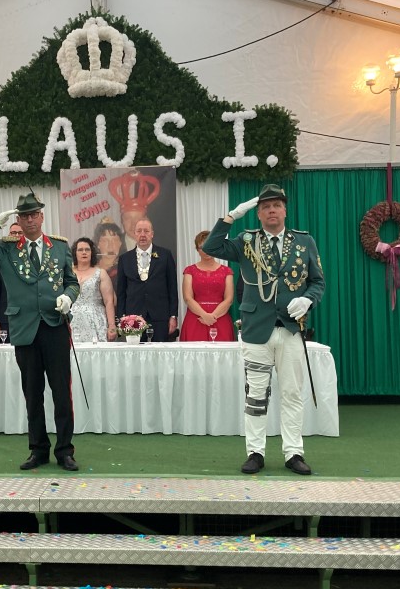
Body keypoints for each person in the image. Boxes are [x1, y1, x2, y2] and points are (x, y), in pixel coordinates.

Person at [202, 184, 325, 477]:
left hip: (291, 329)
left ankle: (293, 452)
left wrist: (308, 300)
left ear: (285, 210)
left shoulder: (304, 241)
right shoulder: (246, 241)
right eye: (266, 207)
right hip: (257, 329)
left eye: (277, 205)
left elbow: (318, 281)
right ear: (257, 213)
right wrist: (231, 217)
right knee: (256, 395)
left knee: (292, 393)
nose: (272, 211)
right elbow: (211, 247)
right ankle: (255, 452)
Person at [0, 193, 81, 472]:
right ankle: (38, 450)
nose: (30, 220)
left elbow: (72, 282)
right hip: (24, 328)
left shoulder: (59, 246)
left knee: (61, 393)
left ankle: (65, 450)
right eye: (24, 216)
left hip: (54, 326)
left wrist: (68, 297)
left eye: (34, 215)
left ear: (42, 217)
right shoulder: (6, 249)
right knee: (32, 393)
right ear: (18, 220)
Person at [115, 218, 178, 342]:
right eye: (139, 231)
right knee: (136, 352)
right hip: (133, 317)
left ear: (152, 234)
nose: (142, 234)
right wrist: (122, 317)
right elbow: (121, 291)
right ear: (134, 234)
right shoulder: (124, 259)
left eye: (146, 231)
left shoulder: (165, 255)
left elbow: (172, 288)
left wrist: (173, 316)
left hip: (160, 316)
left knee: (160, 351)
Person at [179, 230, 236, 342]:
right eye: (201, 247)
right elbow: (188, 298)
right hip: (196, 319)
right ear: (197, 250)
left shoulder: (227, 271)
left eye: (209, 246)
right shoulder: (189, 270)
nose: (206, 250)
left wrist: (213, 316)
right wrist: (204, 315)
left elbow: (229, 299)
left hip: (220, 318)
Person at [70, 236, 117, 343]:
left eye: (87, 249)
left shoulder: (100, 273)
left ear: (92, 253)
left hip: (95, 321)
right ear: (75, 253)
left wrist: (112, 326)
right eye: (80, 250)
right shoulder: (68, 273)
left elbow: (109, 301)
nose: (84, 252)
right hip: (72, 321)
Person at [0, 221, 24, 343]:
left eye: (20, 233)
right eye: (13, 232)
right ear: (9, 235)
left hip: (29, 318)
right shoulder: (1, 257)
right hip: (6, 319)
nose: (16, 235)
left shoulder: (33, 255)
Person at [92, 218, 125, 293]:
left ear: (120, 243)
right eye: (105, 241)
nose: (110, 246)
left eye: (114, 240)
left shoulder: (125, 268)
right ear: (98, 244)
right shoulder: (90, 267)